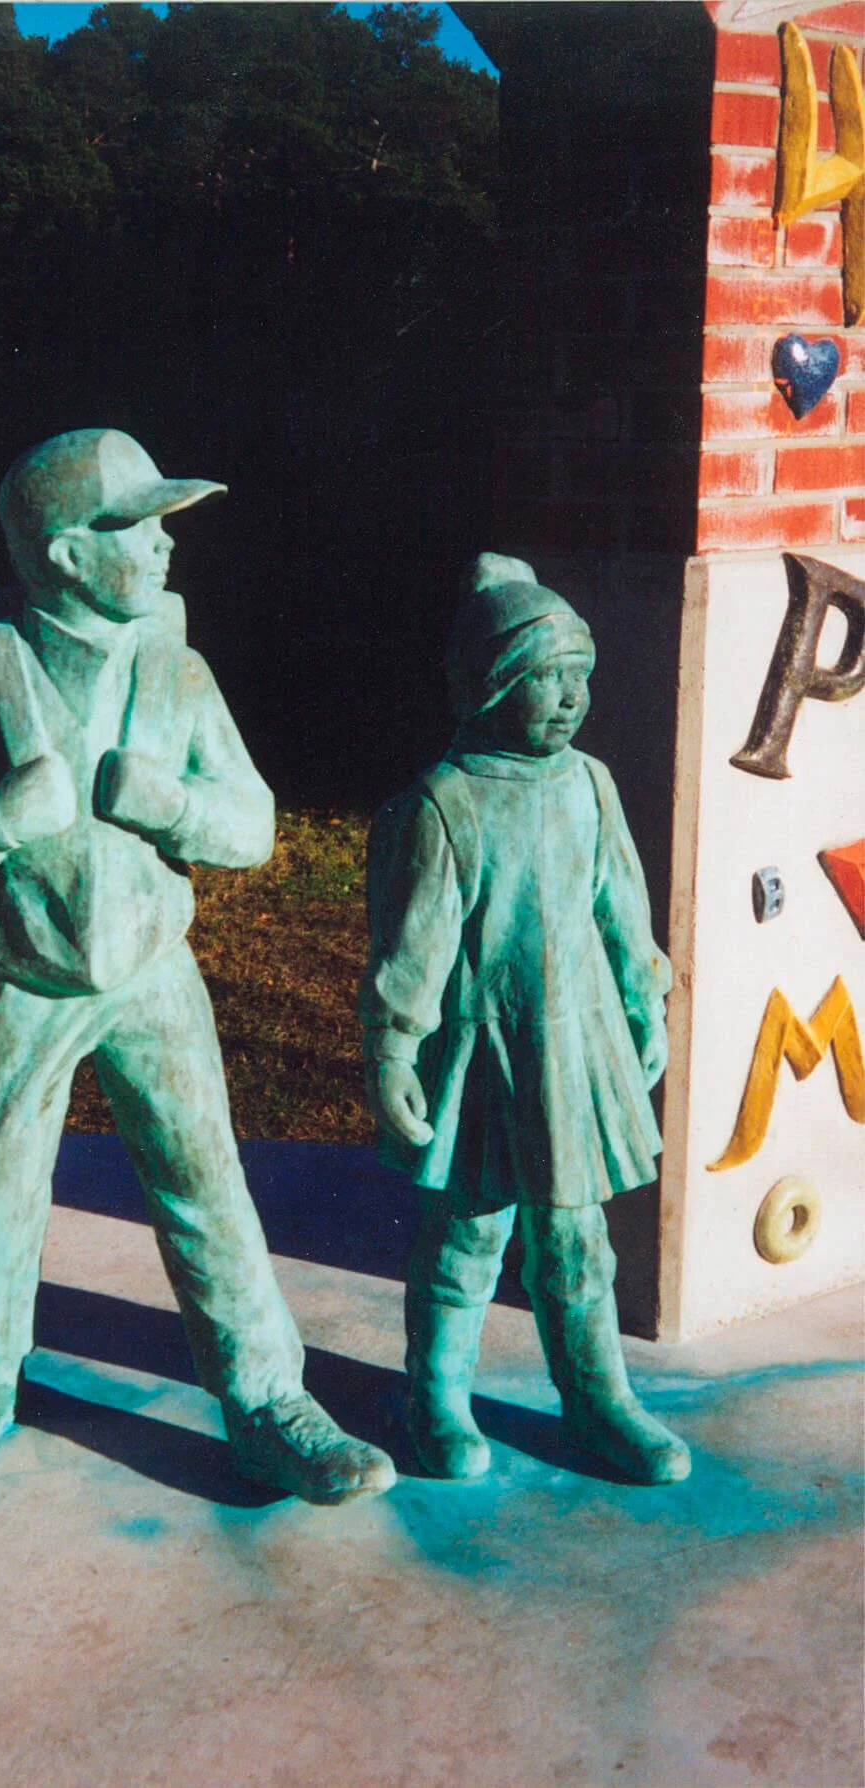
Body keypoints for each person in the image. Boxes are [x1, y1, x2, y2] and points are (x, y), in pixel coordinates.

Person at [0, 427, 395, 1502]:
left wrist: (177, 805)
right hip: (19, 980)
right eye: (138, 526)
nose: (164, 545)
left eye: (163, 526)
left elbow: (252, 824)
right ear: (65, 554)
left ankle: (265, 1396)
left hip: (152, 974)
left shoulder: (176, 671)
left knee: (204, 1181)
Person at [358, 553, 690, 1486]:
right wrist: (393, 1049)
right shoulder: (446, 804)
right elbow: (412, 947)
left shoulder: (590, 784)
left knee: (576, 1236)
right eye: (546, 677)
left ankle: (597, 1399)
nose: (570, 697)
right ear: (490, 685)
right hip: (484, 1052)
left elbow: (621, 908)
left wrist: (645, 1000)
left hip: (575, 1046)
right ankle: (436, 1398)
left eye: (581, 675)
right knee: (468, 1232)